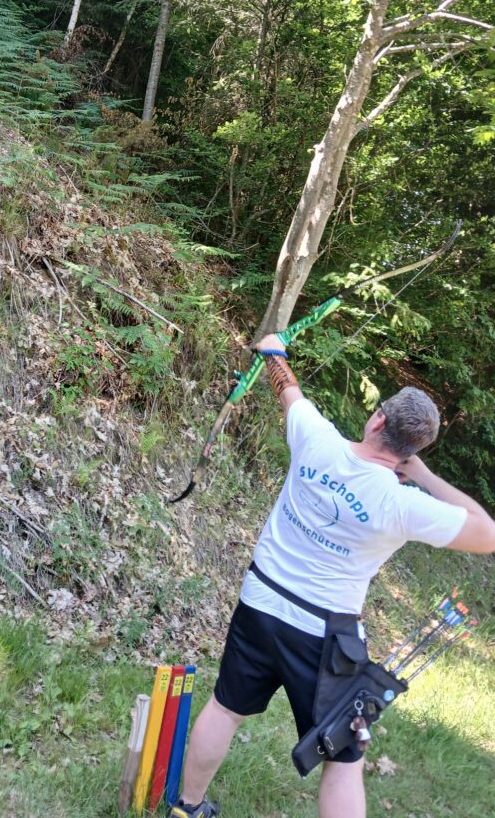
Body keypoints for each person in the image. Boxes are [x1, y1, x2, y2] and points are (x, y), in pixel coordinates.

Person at [168, 333, 495, 818]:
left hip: (261, 601)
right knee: (342, 759)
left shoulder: (316, 437)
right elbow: (488, 534)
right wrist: (423, 476)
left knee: (226, 708)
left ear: (378, 418)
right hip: (324, 637)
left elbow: (286, 385)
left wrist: (275, 350)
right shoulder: (404, 504)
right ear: (413, 448)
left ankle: (187, 808)